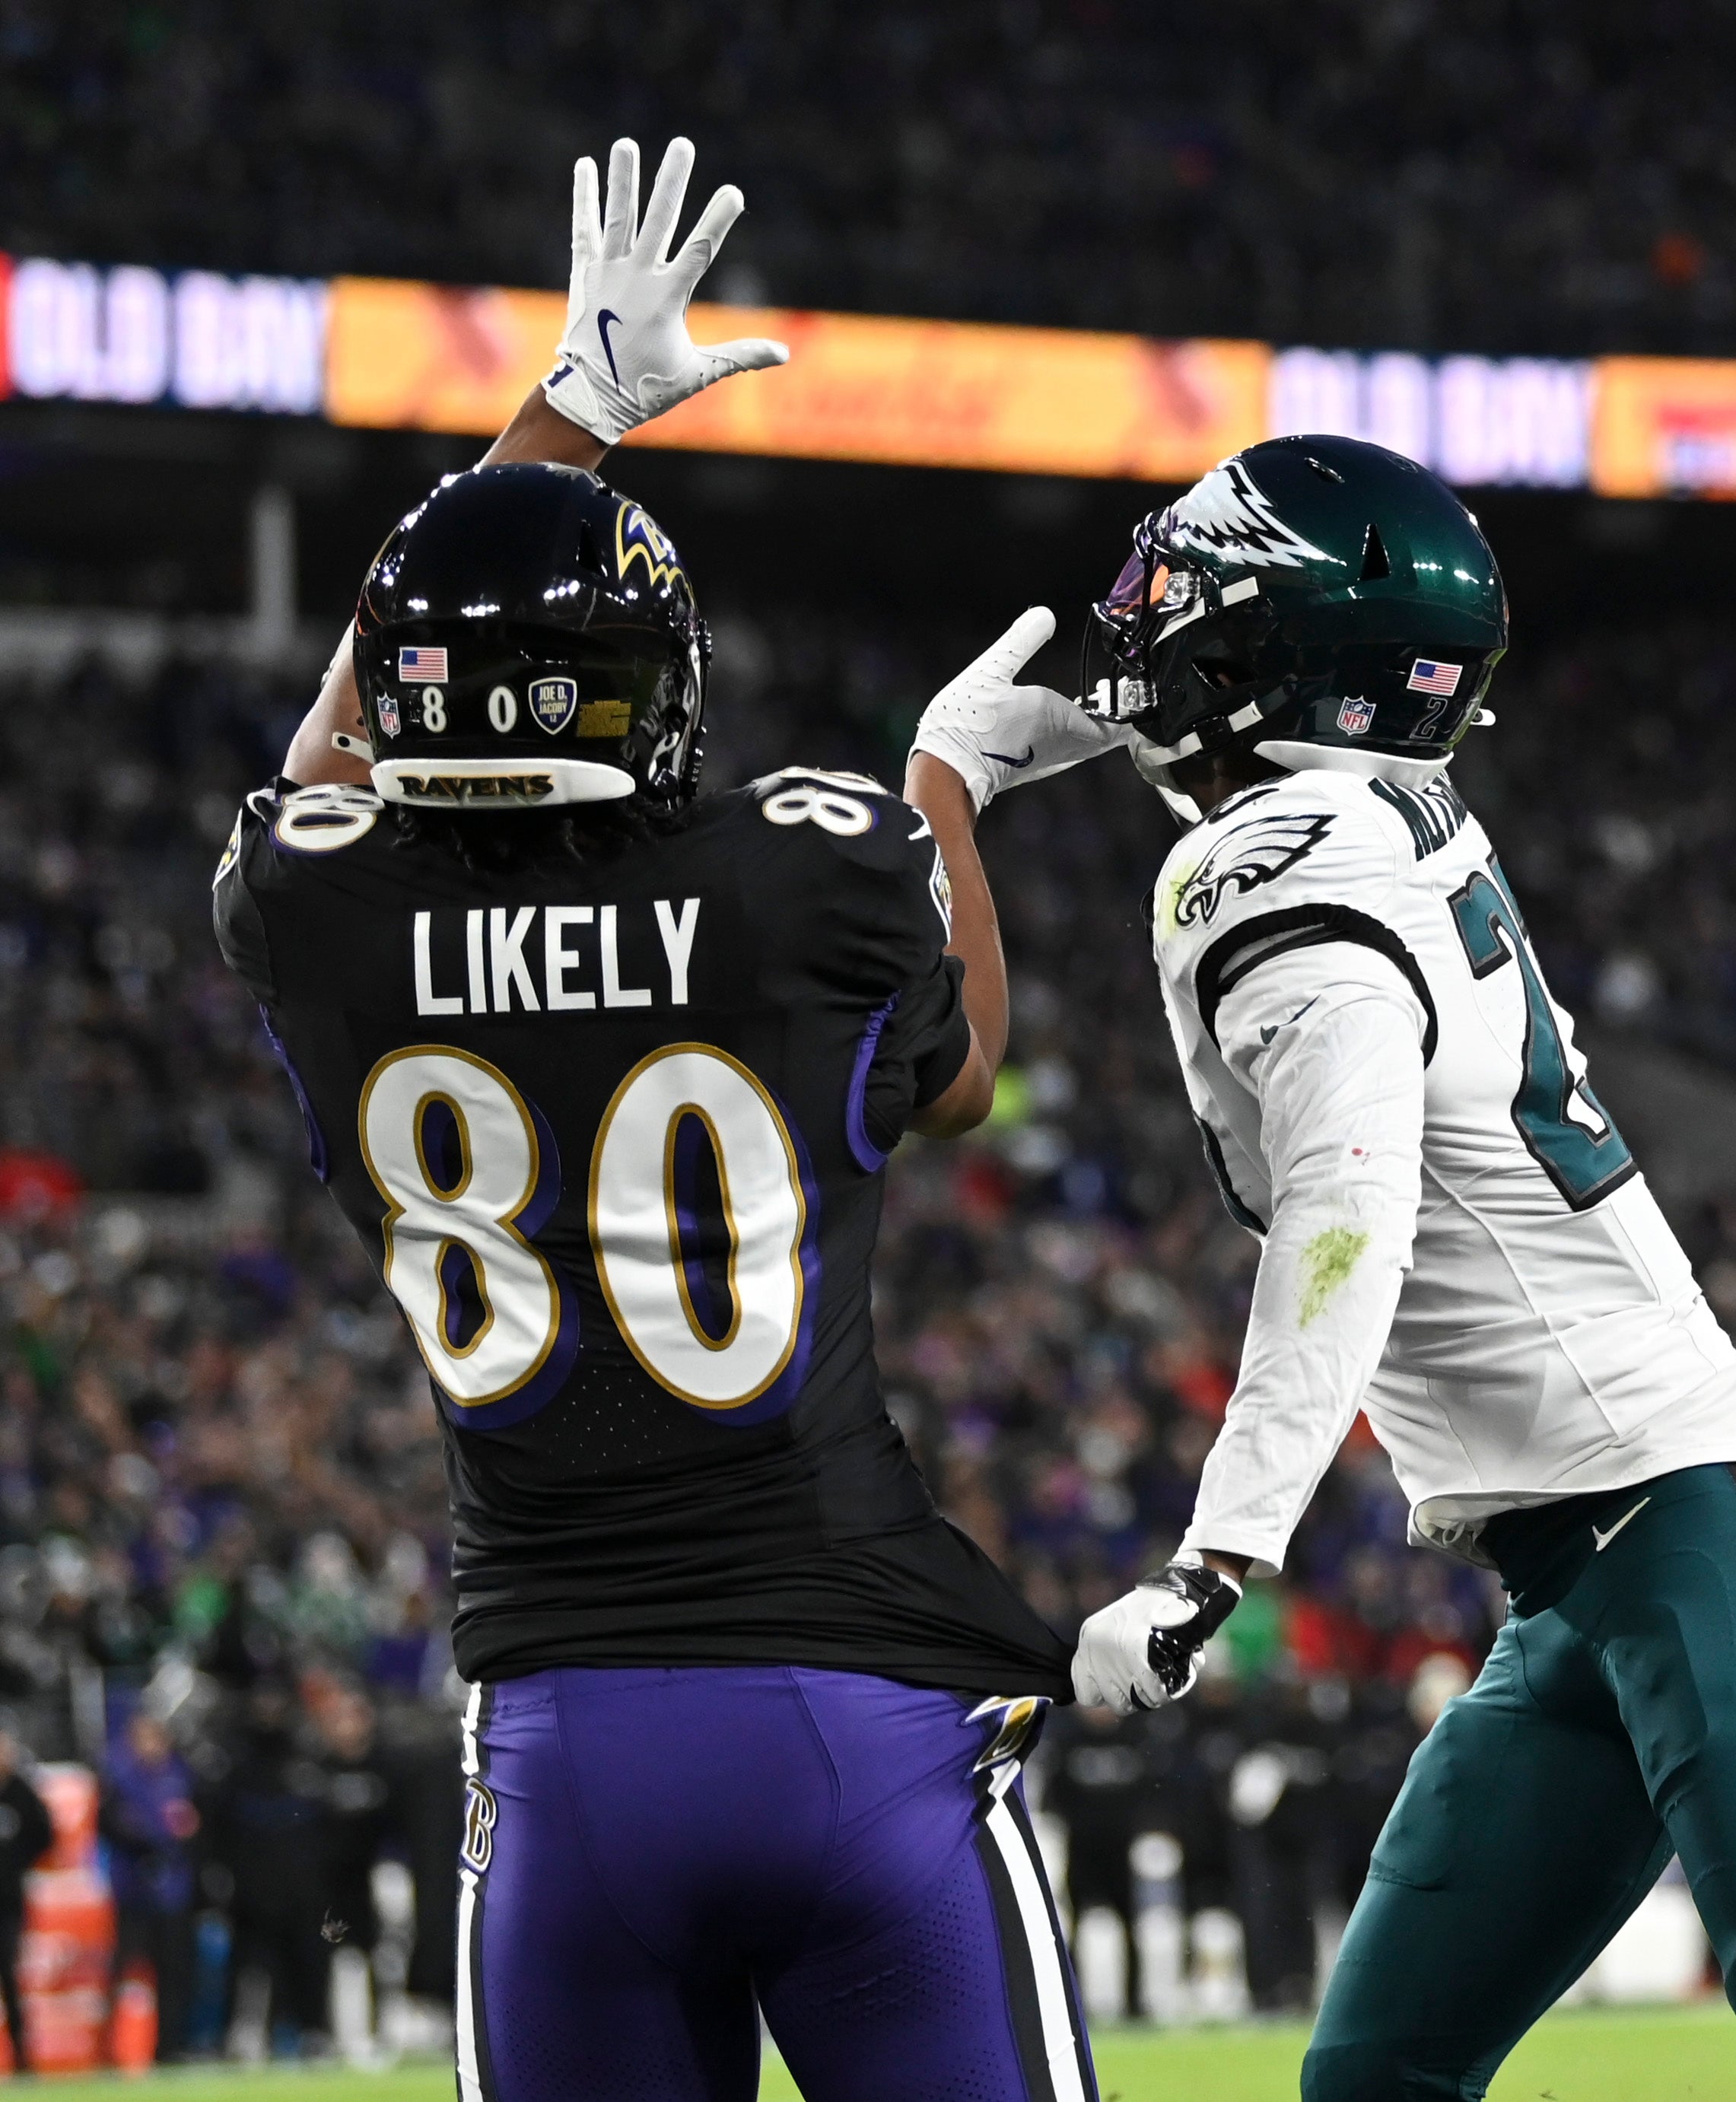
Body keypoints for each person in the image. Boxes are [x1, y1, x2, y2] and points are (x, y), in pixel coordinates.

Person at [212, 135, 1099, 2102]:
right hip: (846, 1706)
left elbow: (332, 763)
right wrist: (946, 777)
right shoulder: (816, 866)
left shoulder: (321, 904)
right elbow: (956, 1076)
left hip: (557, 1755)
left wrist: (556, 428)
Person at [1052, 433, 1736, 2100]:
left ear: (1281, 653)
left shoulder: (1275, 868)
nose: (1149, 623)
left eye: (1193, 598)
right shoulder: (1362, 814)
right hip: (1572, 1577)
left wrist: (1216, 1554)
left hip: (1696, 1510)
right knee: (1376, 2079)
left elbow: (1350, 1220)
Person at [100, 1710, 202, 2065]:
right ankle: (108, 2051)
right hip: (133, 1889)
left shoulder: (180, 1774)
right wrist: (151, 1845)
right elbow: (113, 1823)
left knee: (173, 1971)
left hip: (173, 1889)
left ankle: (170, 2048)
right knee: (123, 1969)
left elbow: (193, 1824)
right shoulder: (120, 1777)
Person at [0, 1719, 51, 2075]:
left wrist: (17, 1863)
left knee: (10, 1979)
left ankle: (23, 2059)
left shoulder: (21, 1792)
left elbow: (45, 1835)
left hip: (7, 1903)